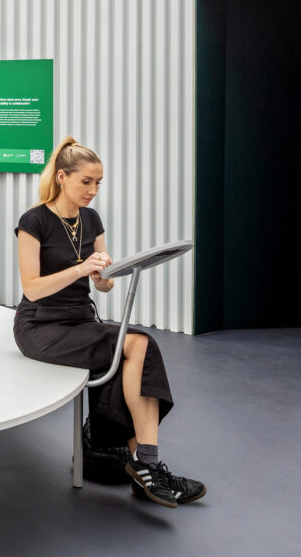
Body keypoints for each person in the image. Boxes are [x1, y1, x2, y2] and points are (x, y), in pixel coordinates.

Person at [13, 137, 206, 508]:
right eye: (86, 181)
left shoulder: (91, 219)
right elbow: (33, 289)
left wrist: (104, 276)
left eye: (99, 182)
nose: (93, 190)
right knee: (136, 344)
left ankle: (145, 466)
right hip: (40, 326)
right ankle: (148, 467)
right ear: (62, 177)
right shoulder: (33, 221)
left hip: (81, 320)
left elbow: (103, 285)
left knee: (135, 350)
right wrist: (82, 268)